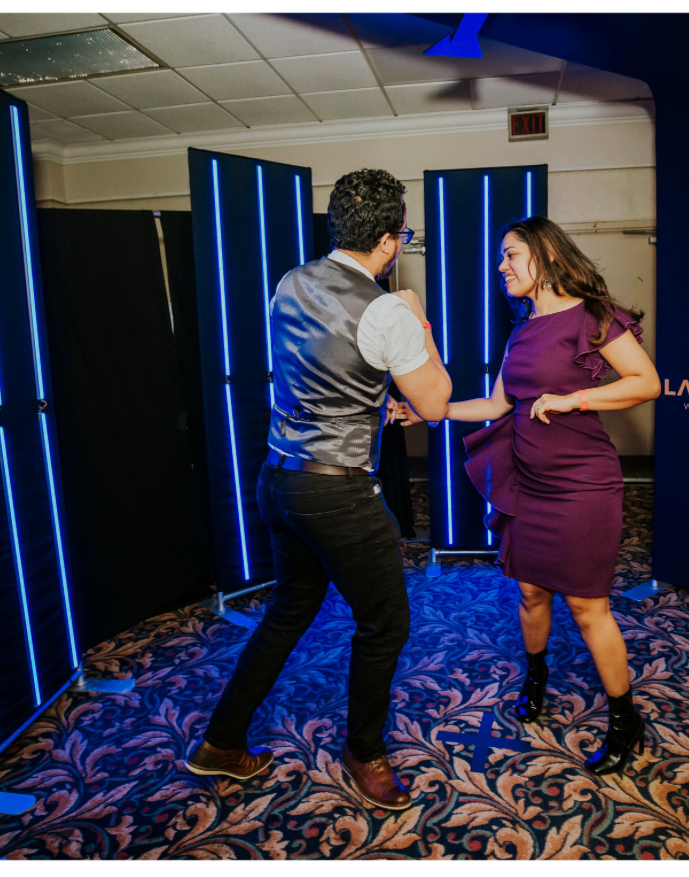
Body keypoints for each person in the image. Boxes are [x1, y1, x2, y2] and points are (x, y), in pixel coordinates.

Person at [187, 168, 452, 811]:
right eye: (403, 238)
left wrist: (371, 405)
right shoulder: (388, 307)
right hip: (337, 495)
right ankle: (366, 752)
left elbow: (319, 370)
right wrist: (417, 317)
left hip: (277, 480)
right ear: (390, 241)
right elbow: (437, 403)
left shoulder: (290, 281)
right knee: (385, 624)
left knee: (289, 608)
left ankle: (220, 741)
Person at [398, 216, 661, 775]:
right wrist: (429, 410)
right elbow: (496, 406)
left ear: (544, 255)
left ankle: (624, 718)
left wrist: (572, 400)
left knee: (589, 608)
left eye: (511, 255)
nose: (502, 266)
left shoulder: (592, 317)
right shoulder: (520, 331)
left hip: (584, 485)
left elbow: (646, 383)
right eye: (501, 258)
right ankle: (536, 676)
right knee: (530, 595)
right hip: (531, 487)